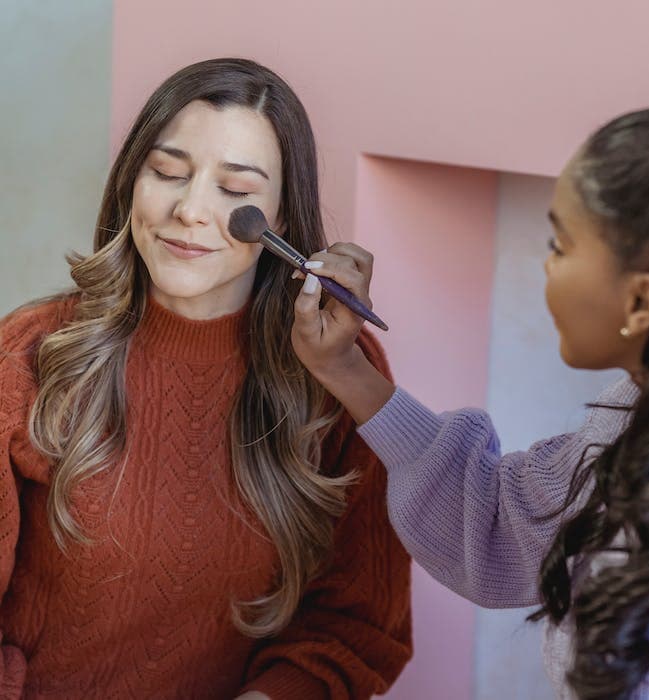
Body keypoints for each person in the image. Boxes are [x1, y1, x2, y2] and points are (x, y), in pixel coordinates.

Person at [291, 81, 649, 698]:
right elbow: (497, 521)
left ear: (640, 301)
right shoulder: (640, 417)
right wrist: (343, 366)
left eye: (560, 245)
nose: (546, 264)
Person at [0, 58, 411, 699]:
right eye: (167, 173)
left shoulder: (339, 375)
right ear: (131, 181)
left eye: (235, 188)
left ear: (282, 216)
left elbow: (354, 627)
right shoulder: (30, 354)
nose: (190, 210)